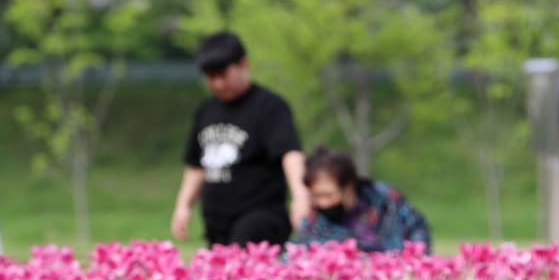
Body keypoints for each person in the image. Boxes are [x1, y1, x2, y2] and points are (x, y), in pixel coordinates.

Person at [171, 32, 310, 247]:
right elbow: (196, 165)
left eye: (223, 74)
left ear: (243, 64)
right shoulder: (206, 111)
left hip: (260, 216)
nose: (217, 83)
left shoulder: (269, 107)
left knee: (246, 251)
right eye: (210, 76)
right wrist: (183, 206)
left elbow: (289, 153)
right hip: (217, 221)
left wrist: (301, 196)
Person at [290, 147, 431, 253]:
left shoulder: (386, 201)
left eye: (328, 195)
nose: (322, 203)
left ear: (348, 186)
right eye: (316, 196)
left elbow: (417, 228)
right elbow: (298, 254)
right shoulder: (313, 222)